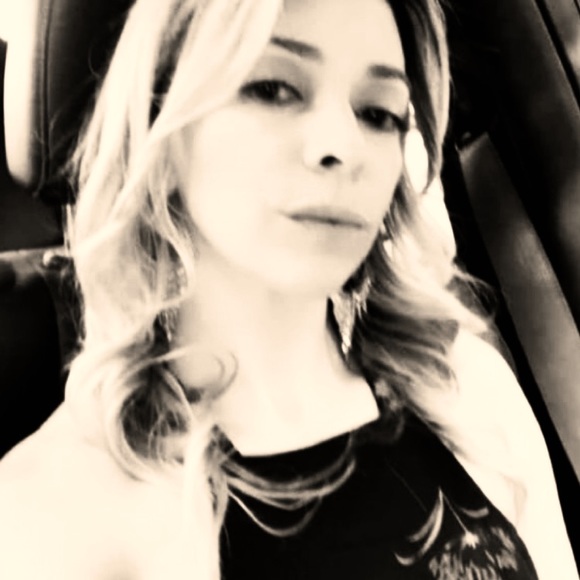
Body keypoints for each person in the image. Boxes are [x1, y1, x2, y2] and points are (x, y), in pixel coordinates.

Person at [0, 0, 577, 578]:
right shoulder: (56, 517)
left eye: (378, 113)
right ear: (160, 128)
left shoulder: (470, 397)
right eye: (273, 89)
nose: (343, 145)